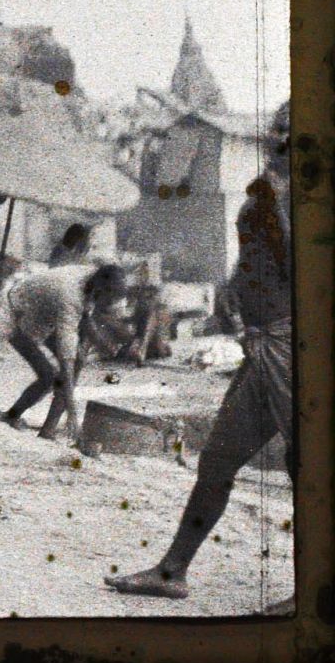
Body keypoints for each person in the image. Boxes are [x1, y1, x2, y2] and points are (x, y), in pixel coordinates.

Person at [109, 101, 294, 600]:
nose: (278, 138)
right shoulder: (269, 190)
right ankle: (172, 571)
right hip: (263, 345)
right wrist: (233, 289)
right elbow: (258, 259)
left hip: (290, 342)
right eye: (276, 128)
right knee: (217, 461)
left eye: (290, 130)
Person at [0, 259, 130, 440]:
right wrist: (73, 414)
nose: (109, 305)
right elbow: (67, 362)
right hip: (13, 314)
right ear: (100, 290)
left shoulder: (93, 278)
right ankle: (12, 416)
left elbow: (87, 317)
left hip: (39, 312)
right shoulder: (70, 297)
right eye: (109, 300)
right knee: (49, 376)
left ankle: (48, 429)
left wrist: (104, 345)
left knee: (79, 359)